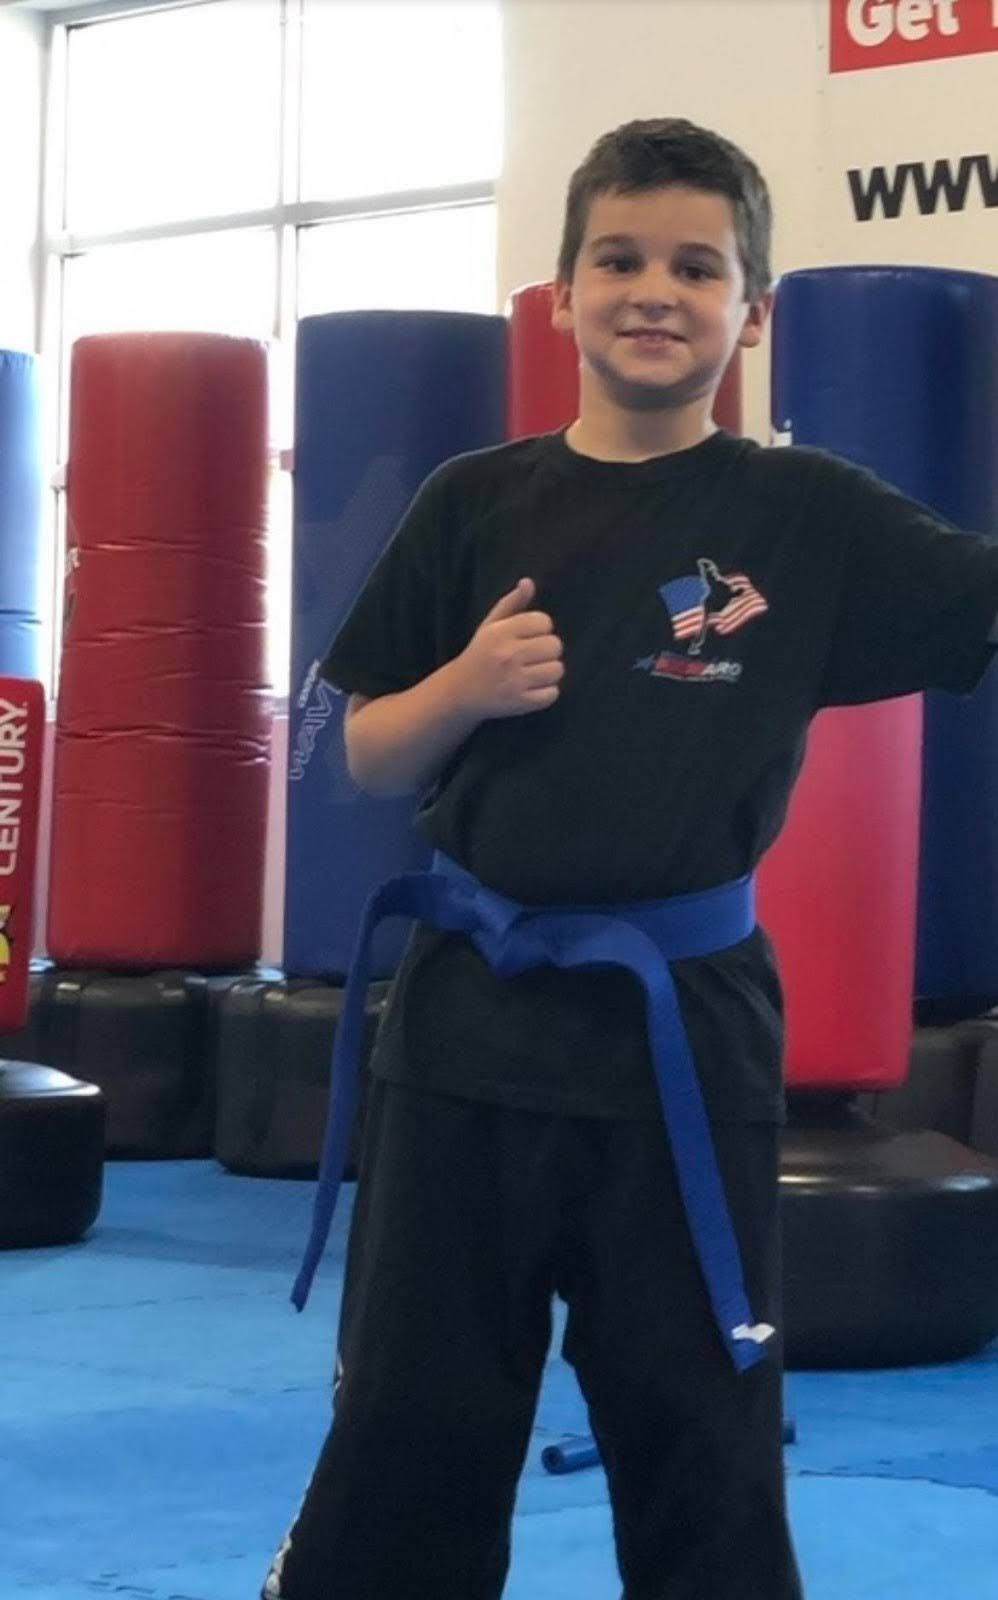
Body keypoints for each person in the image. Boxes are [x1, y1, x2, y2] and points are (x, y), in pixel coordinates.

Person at [262, 117, 998, 1600]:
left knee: (698, 1421)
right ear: (564, 291)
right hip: (468, 1021)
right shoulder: (474, 498)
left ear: (752, 310)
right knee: (411, 1413)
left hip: (680, 1035)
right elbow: (361, 753)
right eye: (618, 258)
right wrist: (460, 687)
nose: (652, 290)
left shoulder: (804, 516)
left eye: (694, 264)